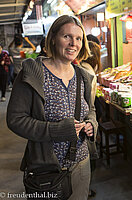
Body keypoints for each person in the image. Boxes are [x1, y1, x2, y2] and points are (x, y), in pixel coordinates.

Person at [6, 15, 97, 199]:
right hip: (46, 169)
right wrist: (57, 130)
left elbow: (91, 111)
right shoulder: (33, 73)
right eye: (67, 37)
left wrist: (91, 124)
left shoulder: (83, 76)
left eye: (78, 38)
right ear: (53, 38)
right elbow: (15, 120)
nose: (73, 43)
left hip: (81, 164)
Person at [80, 41, 102, 198]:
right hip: (84, 123)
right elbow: (90, 103)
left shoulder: (79, 67)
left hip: (84, 122)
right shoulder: (89, 74)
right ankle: (84, 191)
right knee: (88, 160)